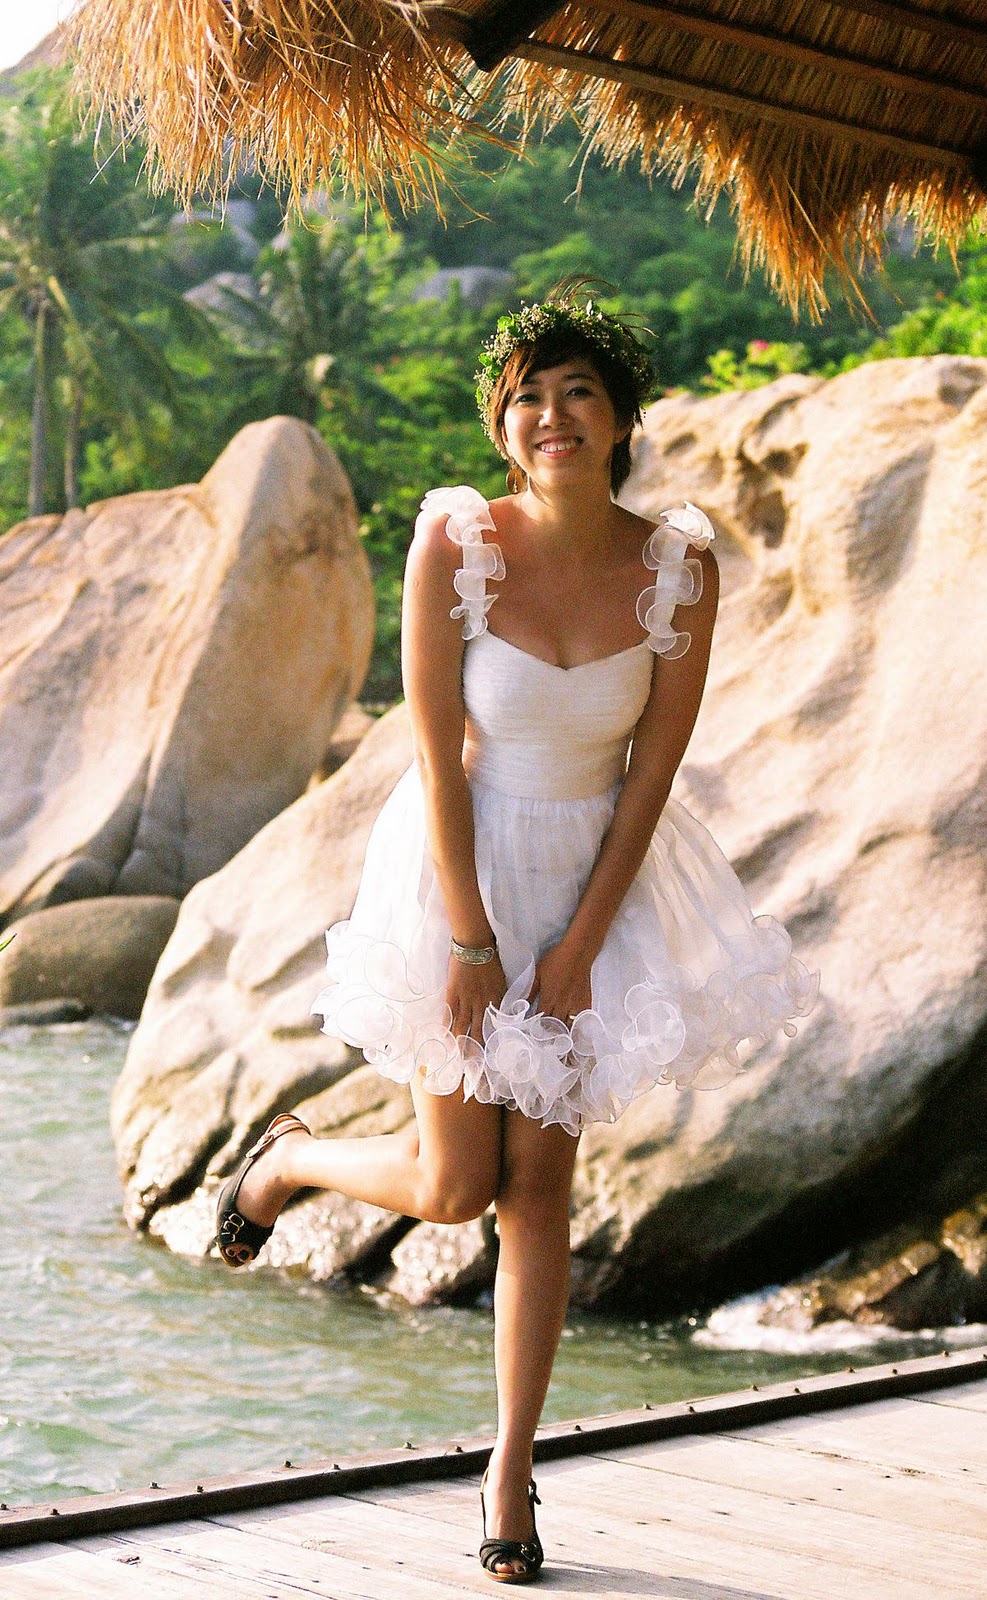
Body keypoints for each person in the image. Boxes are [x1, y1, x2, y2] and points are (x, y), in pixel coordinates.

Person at [215, 292, 818, 1584]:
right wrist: (475, 941)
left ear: (620, 421)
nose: (553, 417)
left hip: (594, 873)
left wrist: (583, 942)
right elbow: (434, 748)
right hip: (457, 867)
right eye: (528, 396)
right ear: (503, 423)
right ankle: (293, 1159)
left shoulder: (677, 568)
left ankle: (508, 1476)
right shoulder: (457, 542)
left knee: (539, 1192)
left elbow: (652, 774)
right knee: (450, 1190)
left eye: (579, 393)